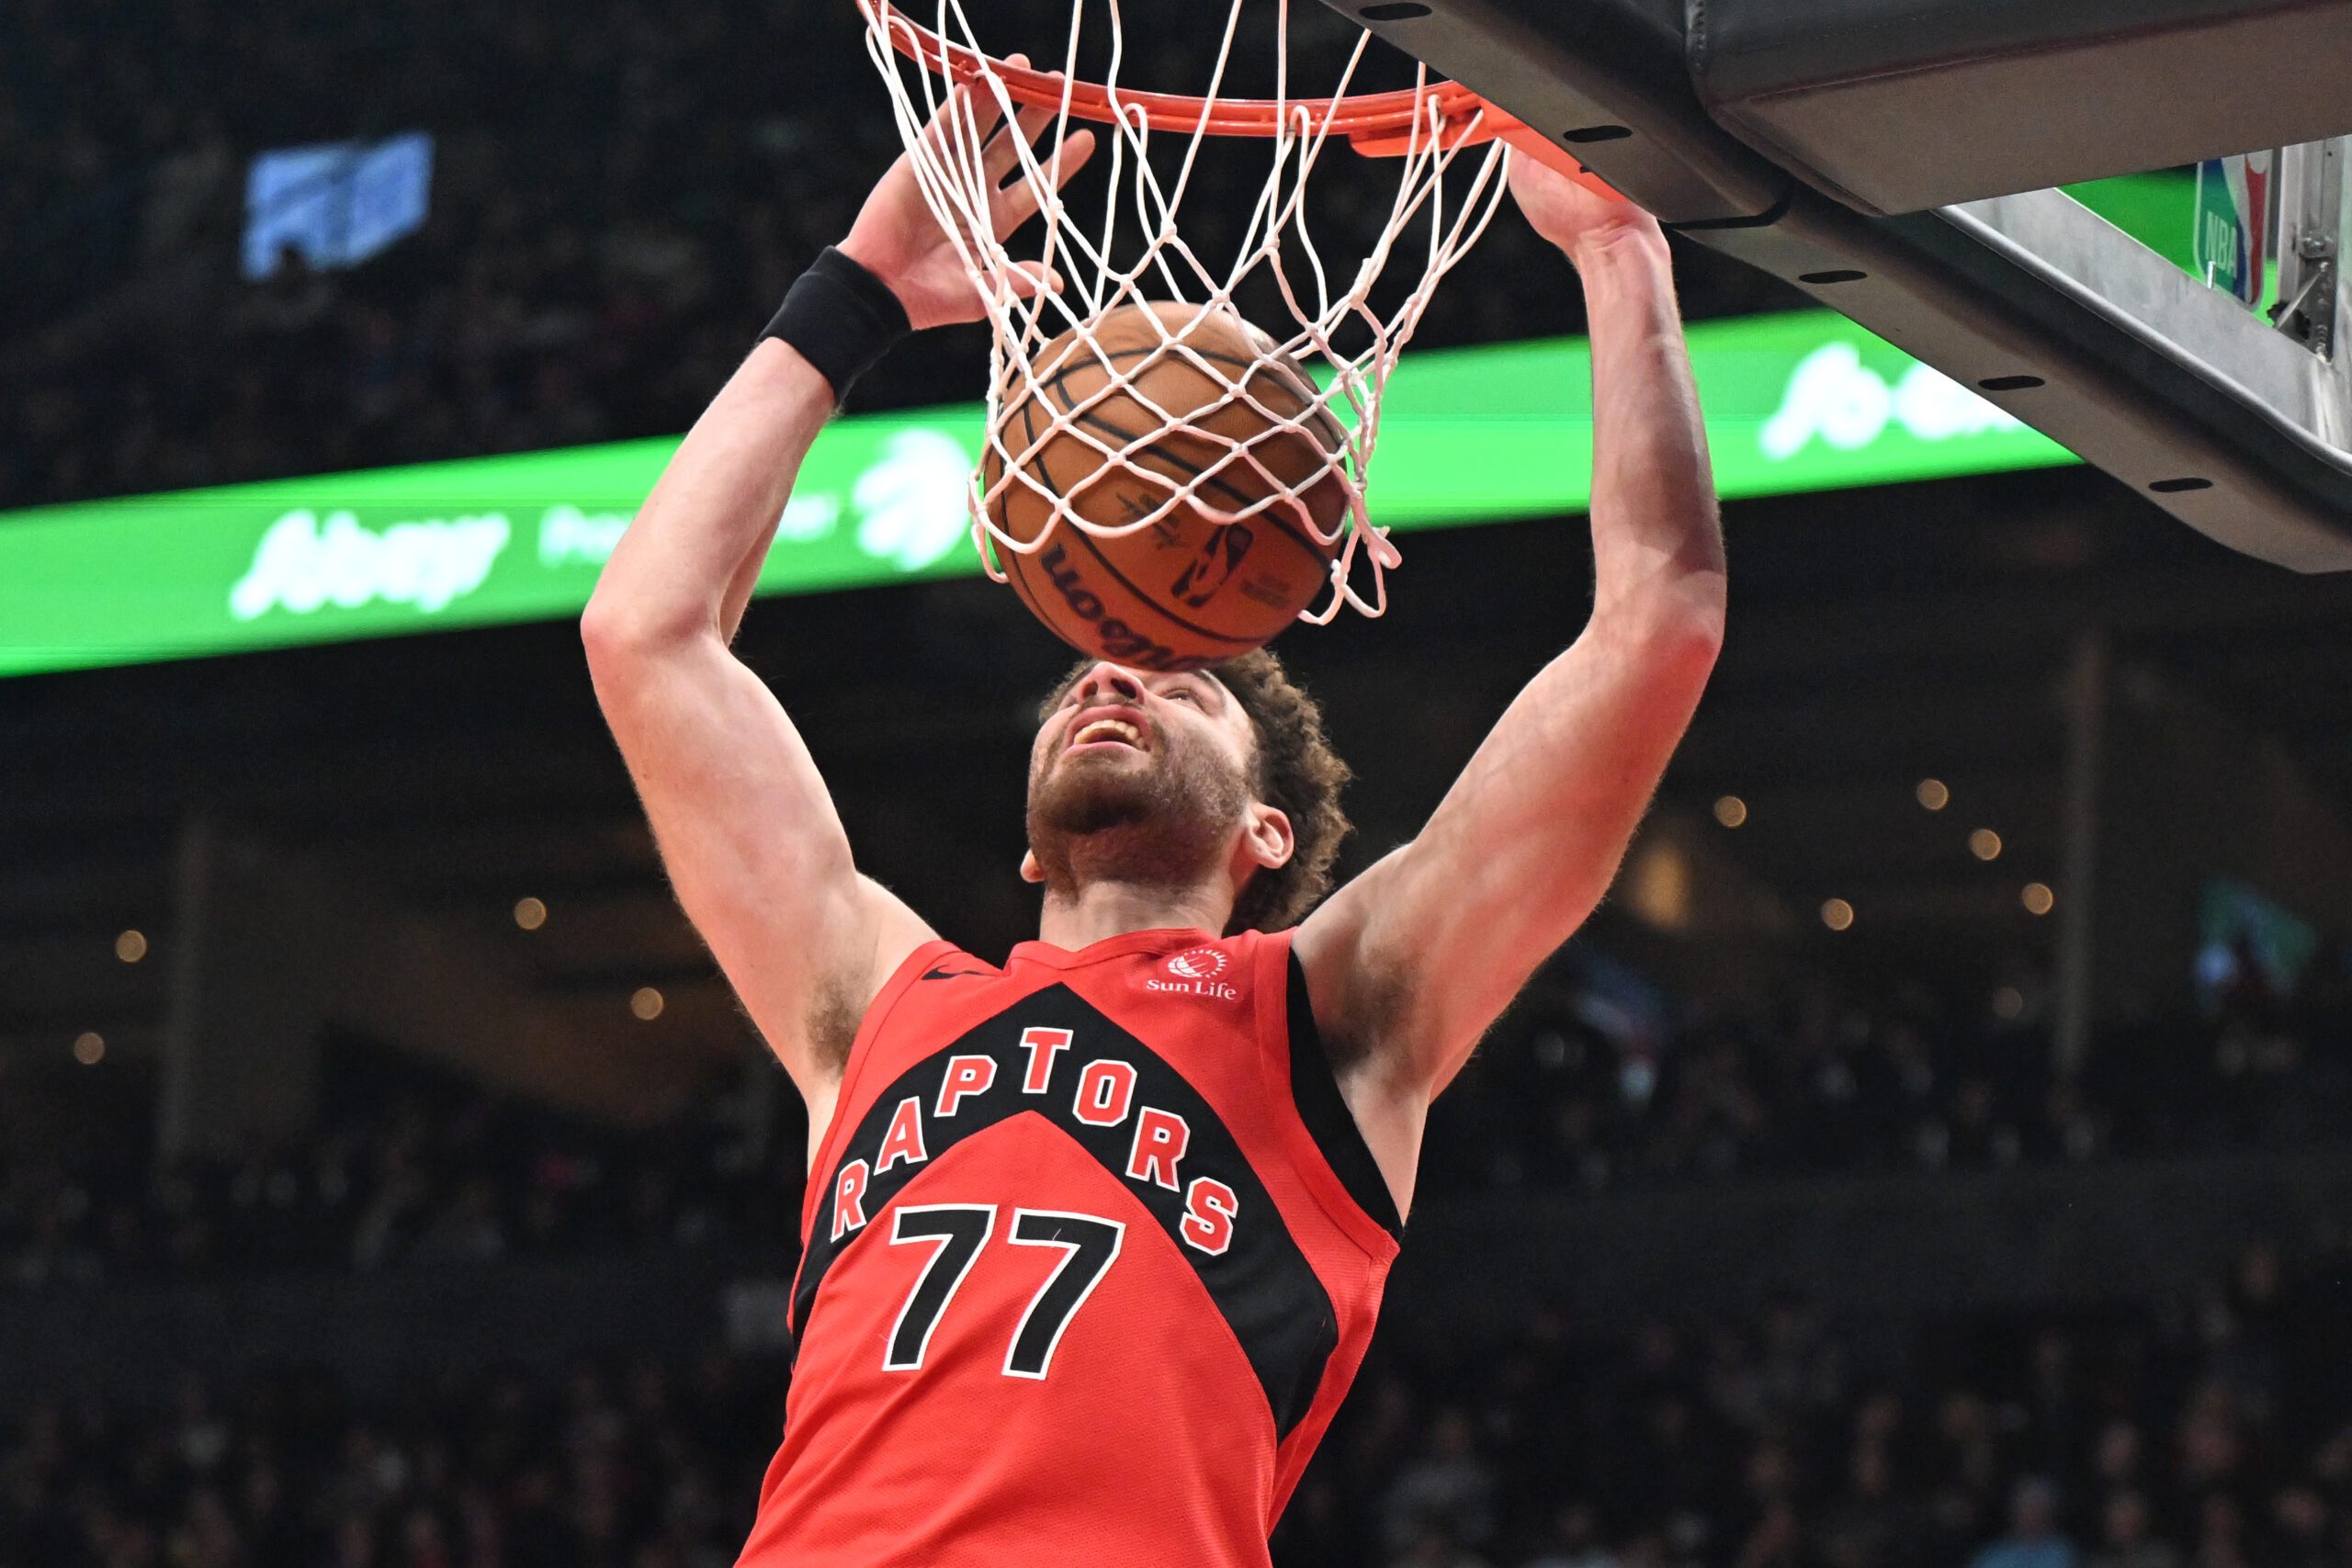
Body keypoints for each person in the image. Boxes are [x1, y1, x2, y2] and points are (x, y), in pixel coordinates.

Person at [582, 71, 1725, 1568]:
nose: (1115, 675)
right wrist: (851, 300)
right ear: (1028, 842)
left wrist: (1616, 252)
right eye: (1087, 678)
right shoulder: (876, 1001)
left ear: (1265, 837)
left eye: (1184, 688)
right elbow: (647, 636)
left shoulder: (1336, 1005)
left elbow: (1658, 625)